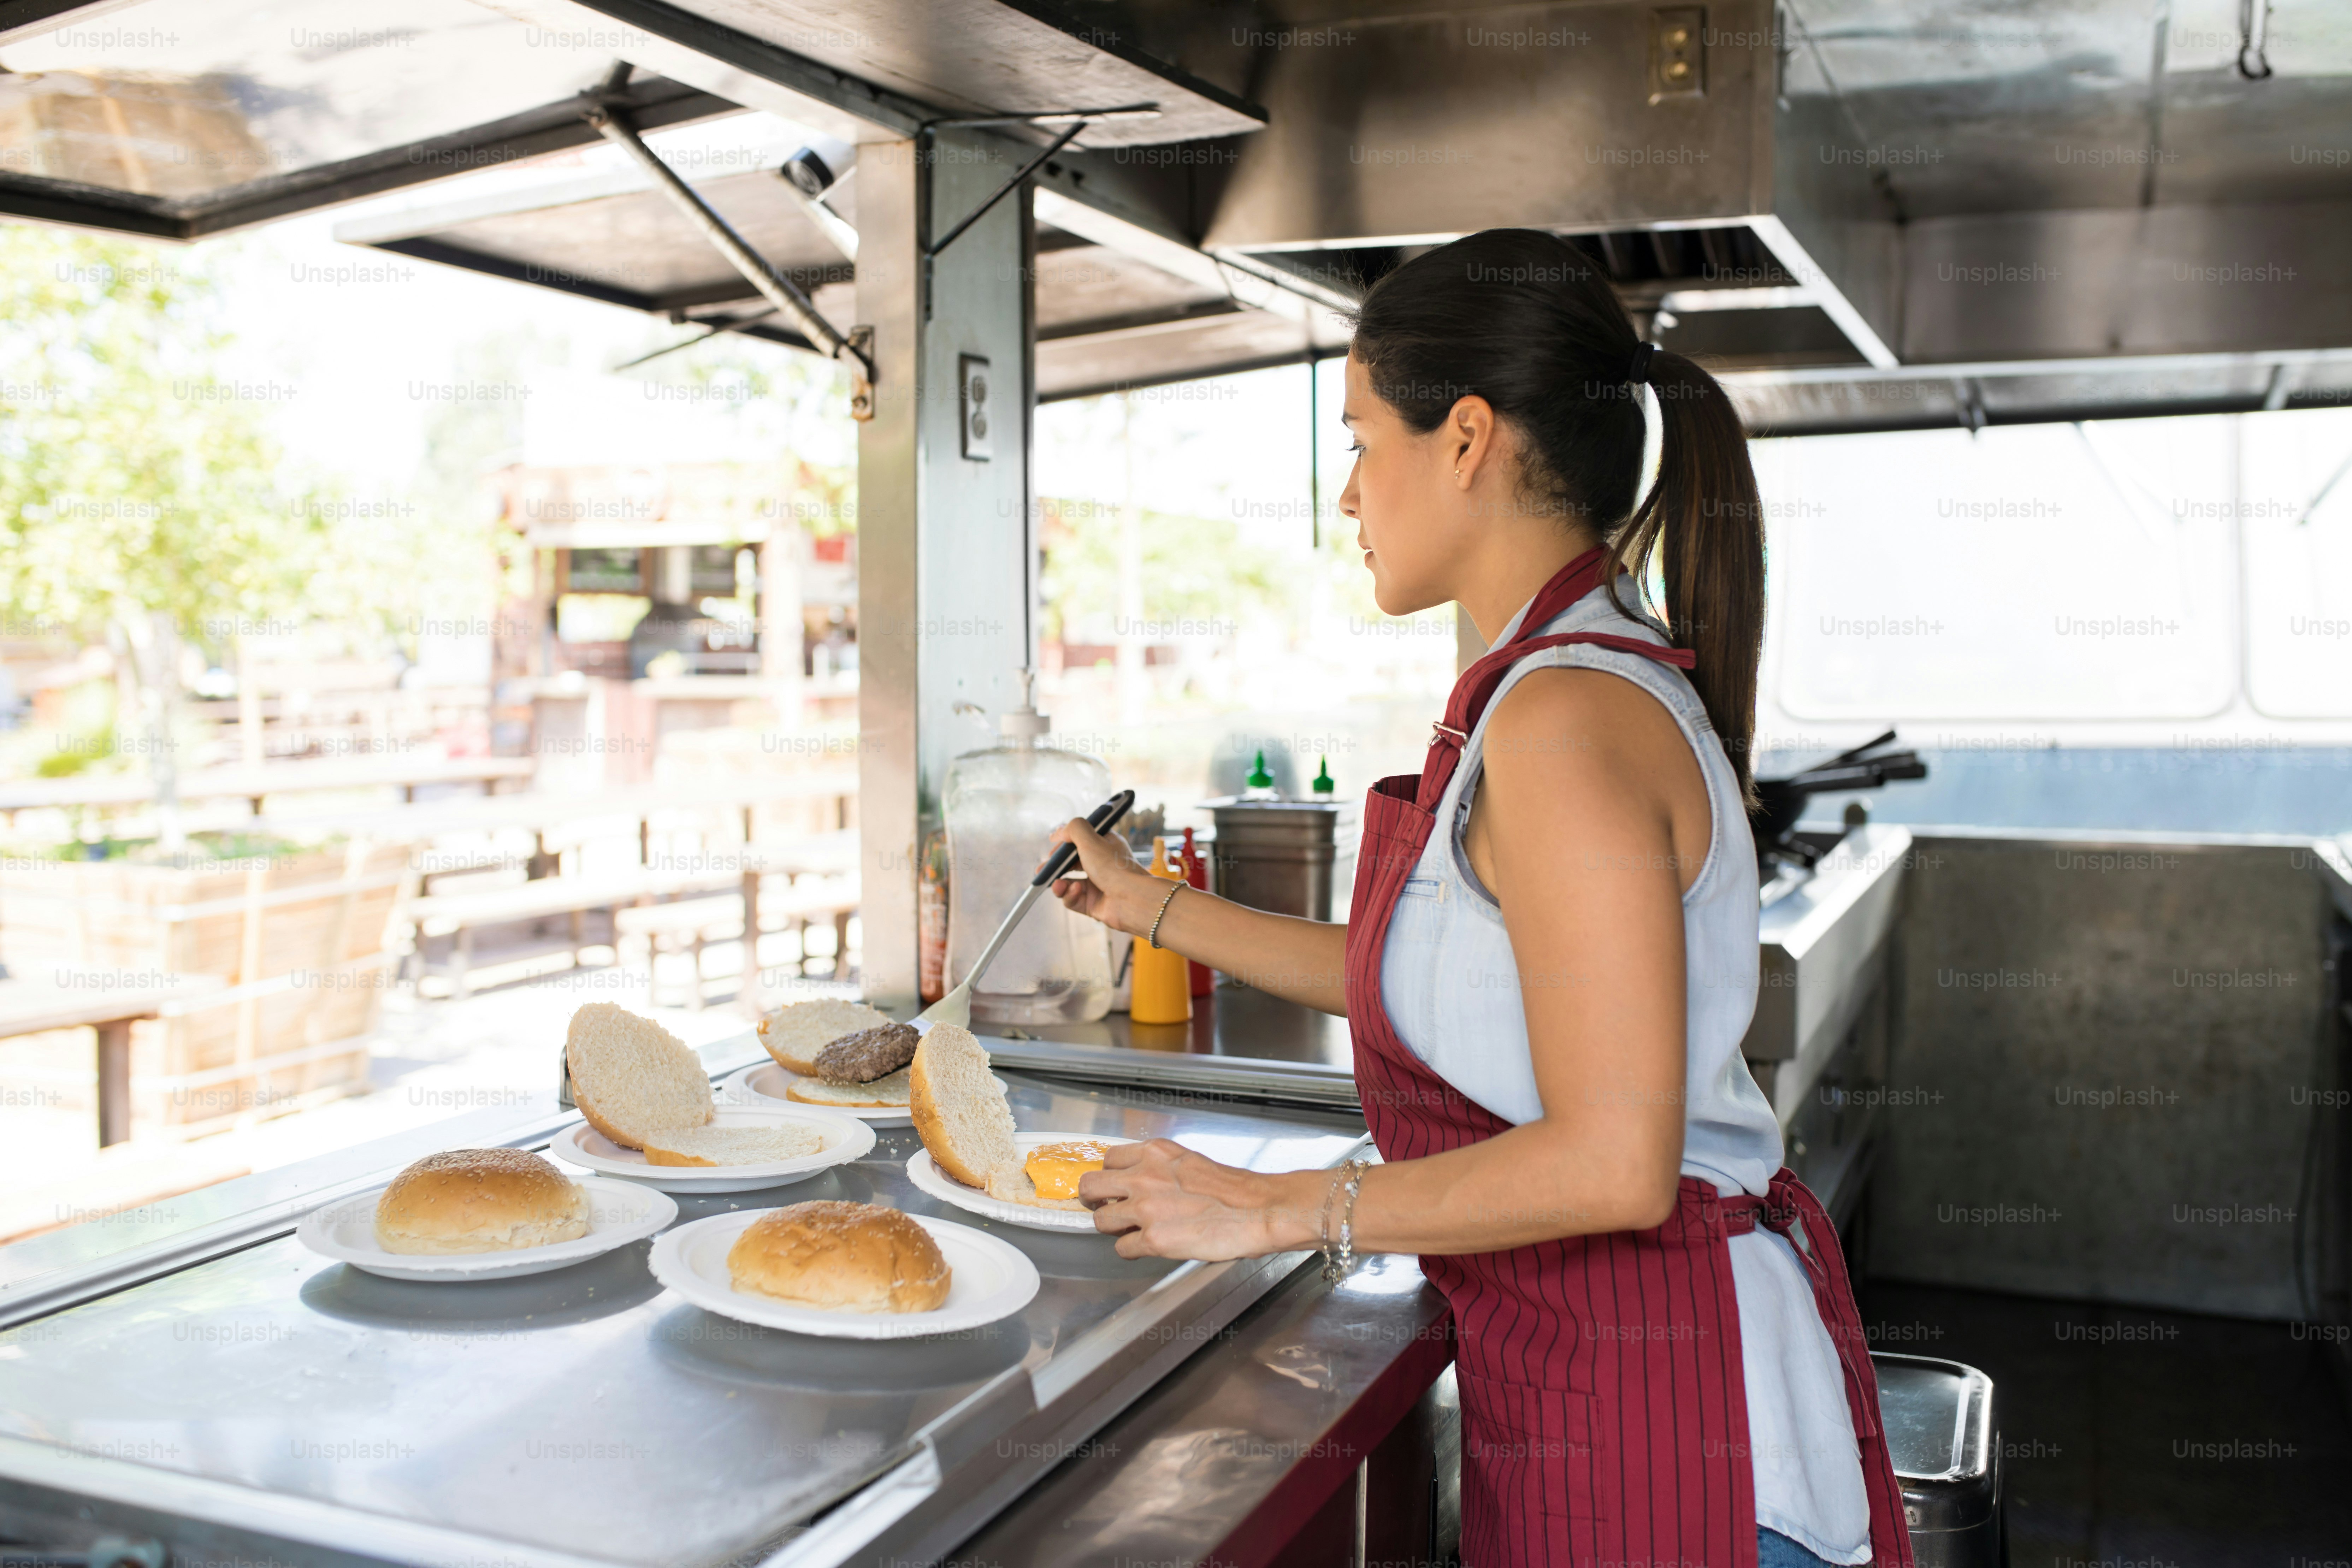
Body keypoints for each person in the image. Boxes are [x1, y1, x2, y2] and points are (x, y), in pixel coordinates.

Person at [1044, 229, 1914, 1568]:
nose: (1346, 496)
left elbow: (1611, 1162)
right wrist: (1147, 910)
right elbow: (1428, 970)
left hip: (1677, 1440)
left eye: (1355, 439)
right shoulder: (1550, 683)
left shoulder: (1562, 717)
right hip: (1603, 1408)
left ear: (1463, 439)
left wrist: (1269, 1207)